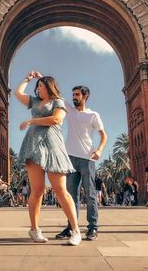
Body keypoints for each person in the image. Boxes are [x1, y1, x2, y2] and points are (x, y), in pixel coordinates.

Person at [16, 71, 81, 246]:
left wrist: (32, 121)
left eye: (41, 86)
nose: (38, 89)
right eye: (37, 87)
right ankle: (34, 229)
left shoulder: (58, 102)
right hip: (34, 145)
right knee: (36, 190)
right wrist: (28, 79)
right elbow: (18, 93)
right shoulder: (35, 102)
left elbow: (56, 119)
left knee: (60, 189)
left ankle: (76, 231)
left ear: (49, 87)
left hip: (53, 145)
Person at [55, 85, 107, 241]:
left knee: (90, 195)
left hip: (87, 159)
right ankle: (71, 227)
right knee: (71, 196)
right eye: (73, 94)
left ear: (85, 96)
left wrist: (99, 150)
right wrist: (39, 77)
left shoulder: (93, 115)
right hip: (70, 158)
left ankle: (92, 228)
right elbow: (55, 93)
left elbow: (103, 135)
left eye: (77, 94)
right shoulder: (69, 110)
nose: (74, 97)